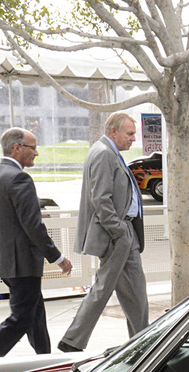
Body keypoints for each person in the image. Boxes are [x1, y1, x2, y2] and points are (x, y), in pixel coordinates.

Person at [0, 128, 72, 360]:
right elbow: (33, 226)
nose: (36, 153)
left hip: (10, 263)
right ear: (17, 148)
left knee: (35, 314)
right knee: (21, 320)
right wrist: (57, 258)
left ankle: (45, 360)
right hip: (22, 264)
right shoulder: (19, 178)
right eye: (32, 147)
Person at [59, 111, 149, 352]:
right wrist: (119, 231)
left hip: (124, 233)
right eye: (130, 134)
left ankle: (145, 342)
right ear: (113, 132)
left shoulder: (109, 153)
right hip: (117, 234)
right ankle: (73, 341)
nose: (133, 139)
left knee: (136, 292)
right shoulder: (103, 154)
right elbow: (101, 199)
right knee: (103, 288)